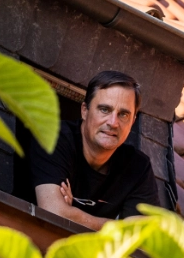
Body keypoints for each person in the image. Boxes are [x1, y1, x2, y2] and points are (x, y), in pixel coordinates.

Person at [29, 70, 161, 230]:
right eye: (105, 110)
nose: (113, 122)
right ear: (84, 110)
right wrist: (119, 226)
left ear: (133, 121)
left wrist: (73, 213)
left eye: (123, 114)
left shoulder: (138, 168)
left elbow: (142, 238)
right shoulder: (55, 138)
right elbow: (53, 212)